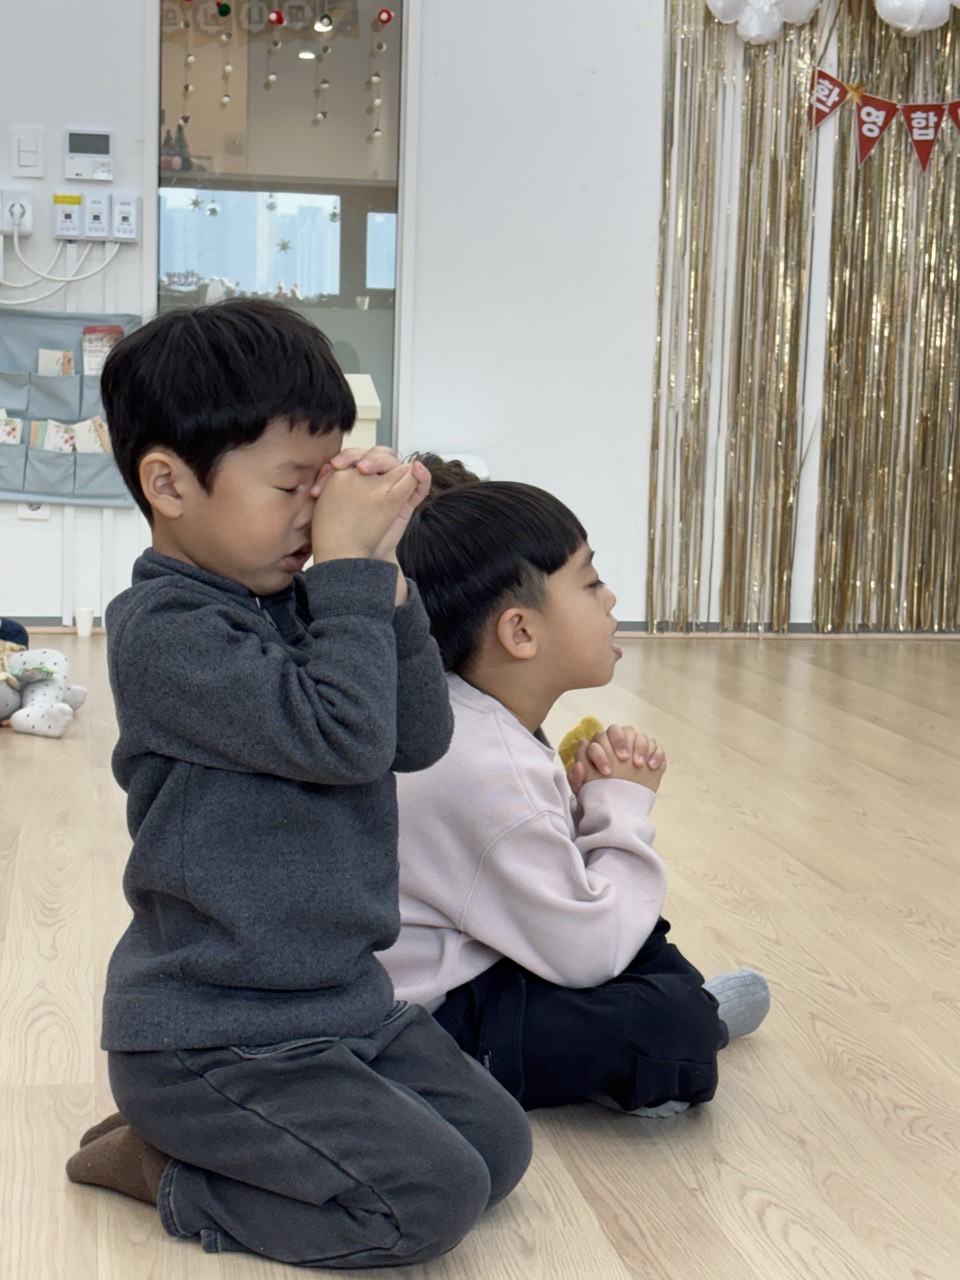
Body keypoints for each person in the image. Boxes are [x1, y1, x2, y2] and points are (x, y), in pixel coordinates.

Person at [64, 302, 531, 1268]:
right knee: (429, 1204)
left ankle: (232, 1143)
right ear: (169, 484)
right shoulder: (164, 633)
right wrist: (349, 574)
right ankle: (169, 1168)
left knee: (498, 1150)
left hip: (341, 1006)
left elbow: (416, 737)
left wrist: (385, 575)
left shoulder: (306, 598)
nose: (316, 514)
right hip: (213, 1036)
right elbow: (345, 739)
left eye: (324, 483)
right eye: (291, 485)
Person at [380, 458, 770, 1115]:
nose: (611, 599)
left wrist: (580, 808)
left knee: (642, 932)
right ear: (520, 632)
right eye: (591, 582)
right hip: (431, 1020)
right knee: (666, 1024)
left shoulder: (463, 715)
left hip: (478, 957)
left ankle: (687, 1015)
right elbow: (586, 952)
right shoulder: (487, 764)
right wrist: (619, 808)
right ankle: (690, 1029)